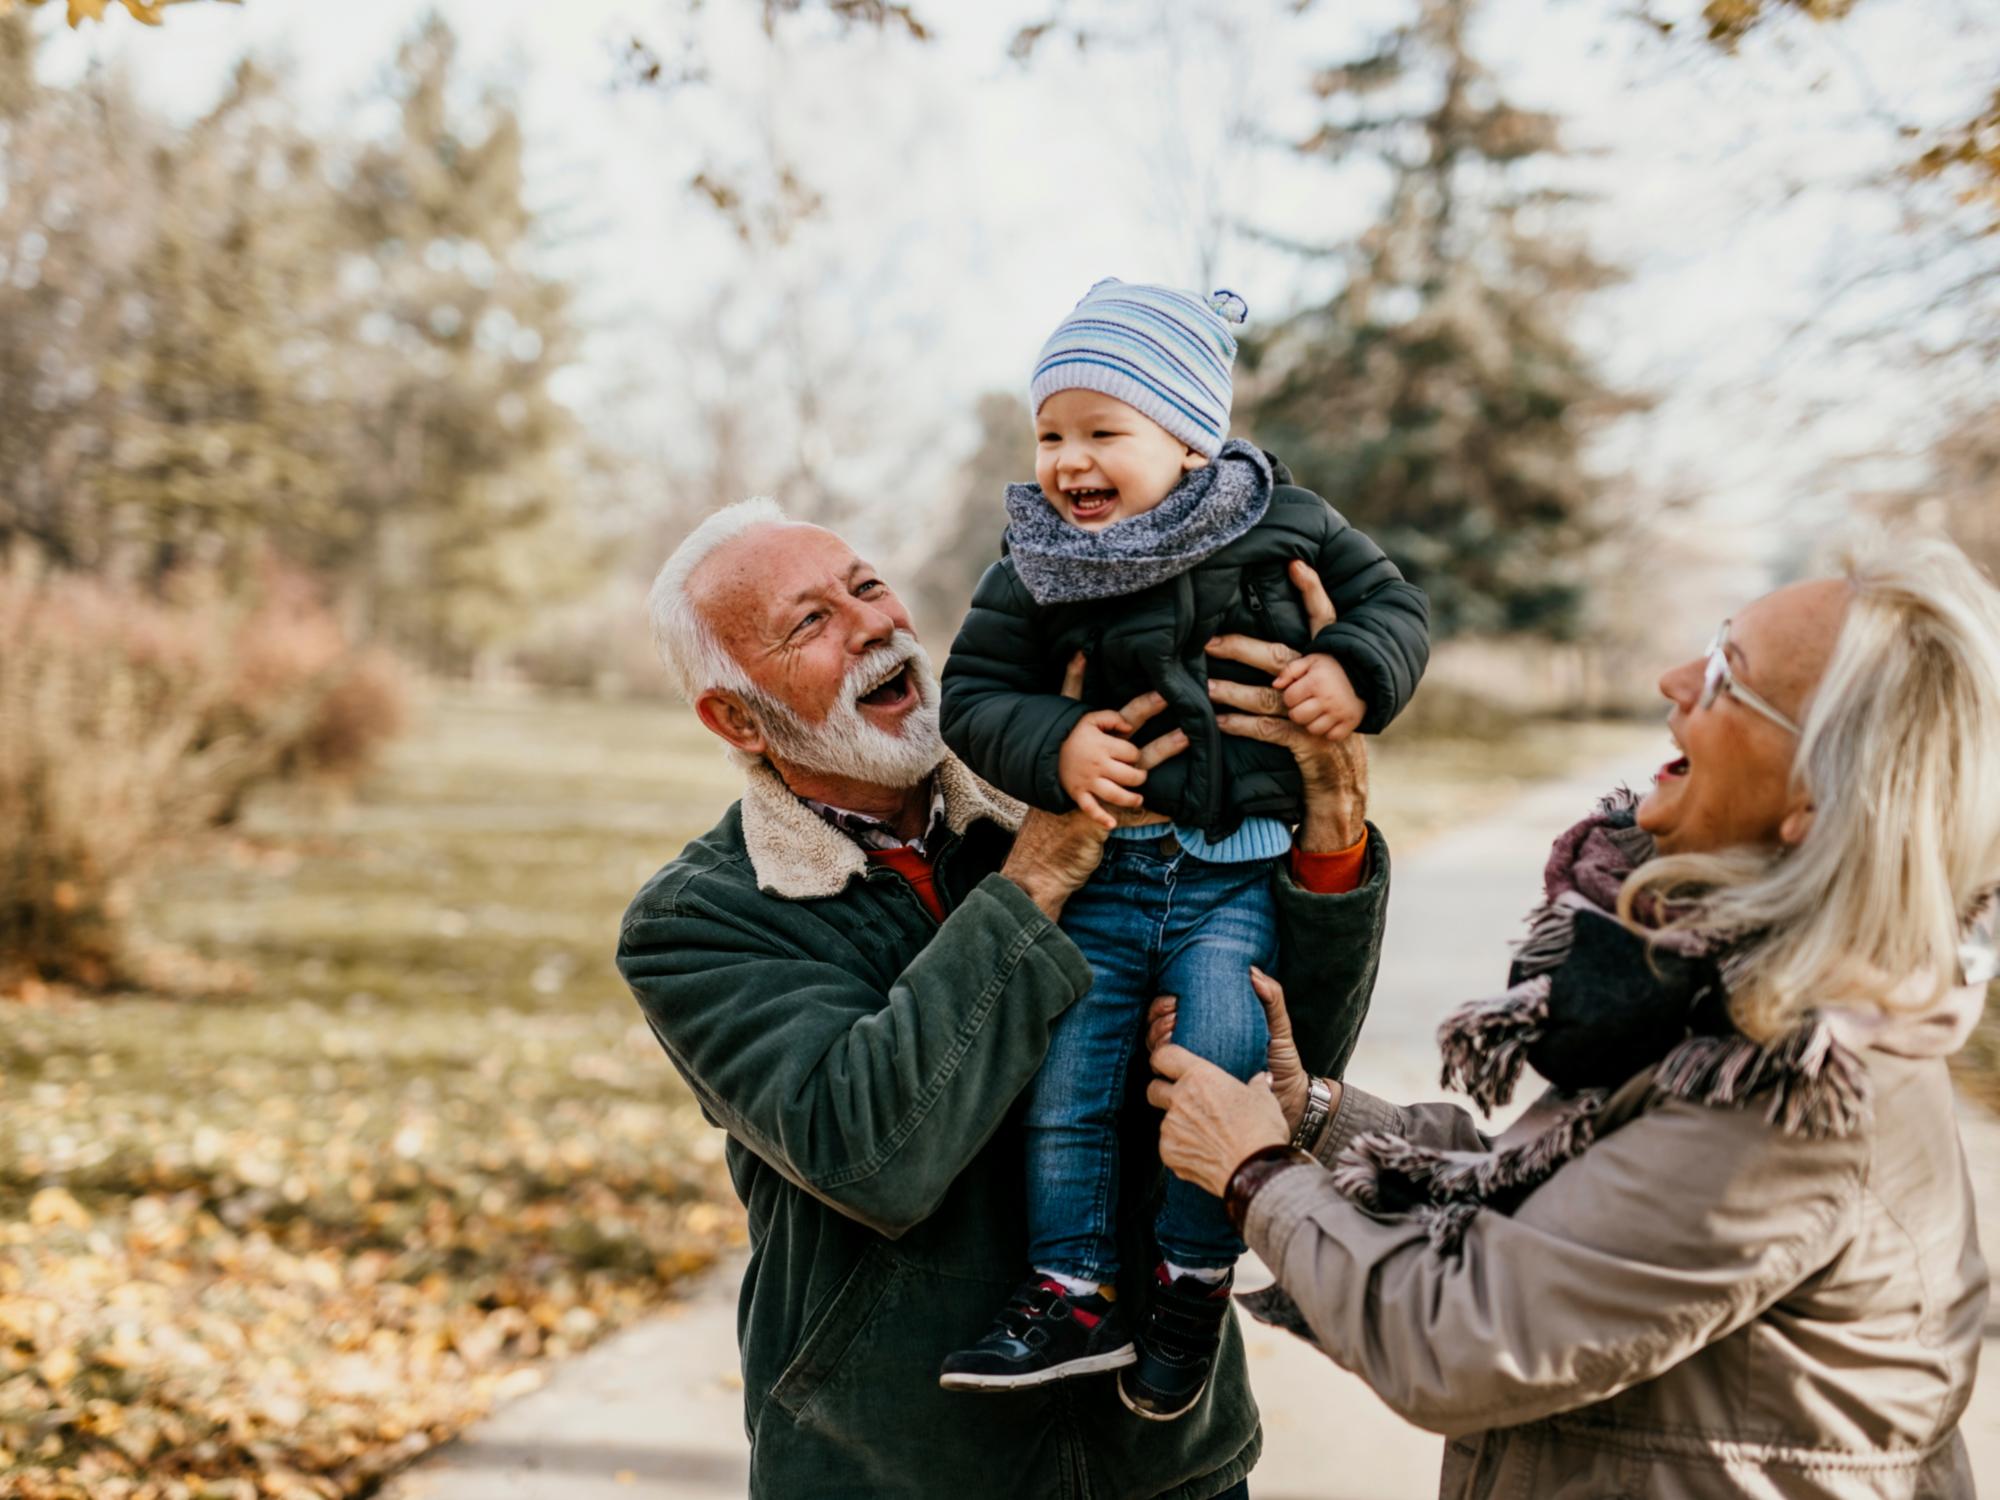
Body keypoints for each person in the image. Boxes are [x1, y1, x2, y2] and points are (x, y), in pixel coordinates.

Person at [1148, 530, 2000, 1497]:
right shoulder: (1739, 1001)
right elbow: (1561, 1214)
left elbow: (1465, 1335)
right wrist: (1318, 1116)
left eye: (1728, 674)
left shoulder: (1793, 1089)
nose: (1675, 679)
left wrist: (1256, 1173)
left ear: (1816, 794)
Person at [616, 496, 1393, 1499]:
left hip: (1160, 1460)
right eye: (809, 622)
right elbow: (872, 1150)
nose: (870, 626)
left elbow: (1280, 1075)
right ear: (734, 717)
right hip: (895, 1470)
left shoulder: (1091, 780)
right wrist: (1039, 874)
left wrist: (1328, 823)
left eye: (866, 587)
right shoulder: (704, 919)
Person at [938, 277, 1429, 1418]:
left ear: (1190, 437)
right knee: (1069, 1080)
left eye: (1102, 431)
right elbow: (974, 693)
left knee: (1215, 1075)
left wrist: (1349, 668)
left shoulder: (1286, 524)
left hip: (1232, 875)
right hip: (1105, 875)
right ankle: (1069, 1286)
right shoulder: (1037, 563)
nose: (1067, 462)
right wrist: (1055, 742)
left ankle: (1191, 1282)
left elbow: (1390, 606)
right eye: (1049, 434)